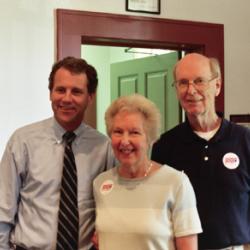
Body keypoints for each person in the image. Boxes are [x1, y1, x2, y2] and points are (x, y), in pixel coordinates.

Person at [0, 57, 116, 250]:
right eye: (60, 90)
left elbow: (111, 210)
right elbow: (3, 209)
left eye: (76, 91)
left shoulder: (103, 147)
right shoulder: (22, 142)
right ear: (50, 93)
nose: (67, 98)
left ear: (90, 97)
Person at [151, 53, 250, 250]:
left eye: (199, 81)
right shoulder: (165, 146)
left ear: (217, 86)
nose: (191, 90)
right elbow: (158, 210)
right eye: (183, 83)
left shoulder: (244, 140)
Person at [93, 94, 202, 250]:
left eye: (134, 132)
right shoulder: (101, 183)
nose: (124, 141)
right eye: (118, 131)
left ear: (150, 138)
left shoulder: (176, 183)